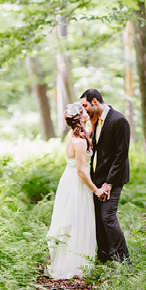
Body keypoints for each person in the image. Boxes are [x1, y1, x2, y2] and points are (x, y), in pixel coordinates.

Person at [45, 103, 104, 279]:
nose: (87, 112)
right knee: (75, 220)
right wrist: (96, 190)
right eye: (84, 112)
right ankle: (74, 266)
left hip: (73, 180)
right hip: (76, 183)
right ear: (80, 118)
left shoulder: (78, 135)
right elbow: (81, 170)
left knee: (80, 218)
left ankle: (81, 262)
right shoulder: (78, 141)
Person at [79, 88, 131, 263]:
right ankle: (104, 258)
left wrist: (109, 183)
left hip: (113, 179)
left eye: (85, 105)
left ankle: (124, 260)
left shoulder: (119, 120)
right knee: (99, 219)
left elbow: (121, 155)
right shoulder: (96, 121)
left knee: (107, 217)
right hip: (97, 178)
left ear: (95, 101)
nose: (83, 109)